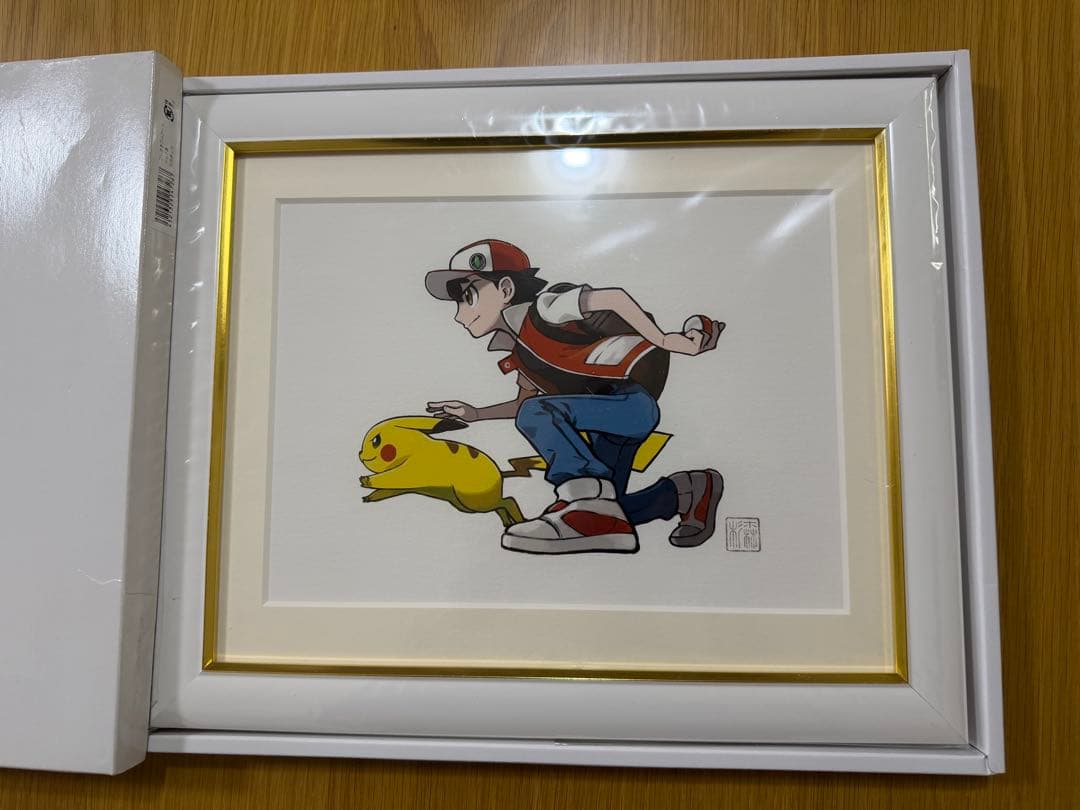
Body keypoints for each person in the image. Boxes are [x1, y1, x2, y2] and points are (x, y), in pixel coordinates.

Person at [424, 238, 724, 555]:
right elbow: (522, 403)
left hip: (628, 403)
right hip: (604, 422)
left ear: (506, 289)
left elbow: (614, 298)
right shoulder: (523, 354)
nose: (459, 314)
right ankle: (687, 491)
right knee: (610, 509)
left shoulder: (547, 308)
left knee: (576, 477)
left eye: (468, 297)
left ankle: (584, 501)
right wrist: (475, 414)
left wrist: (664, 339)